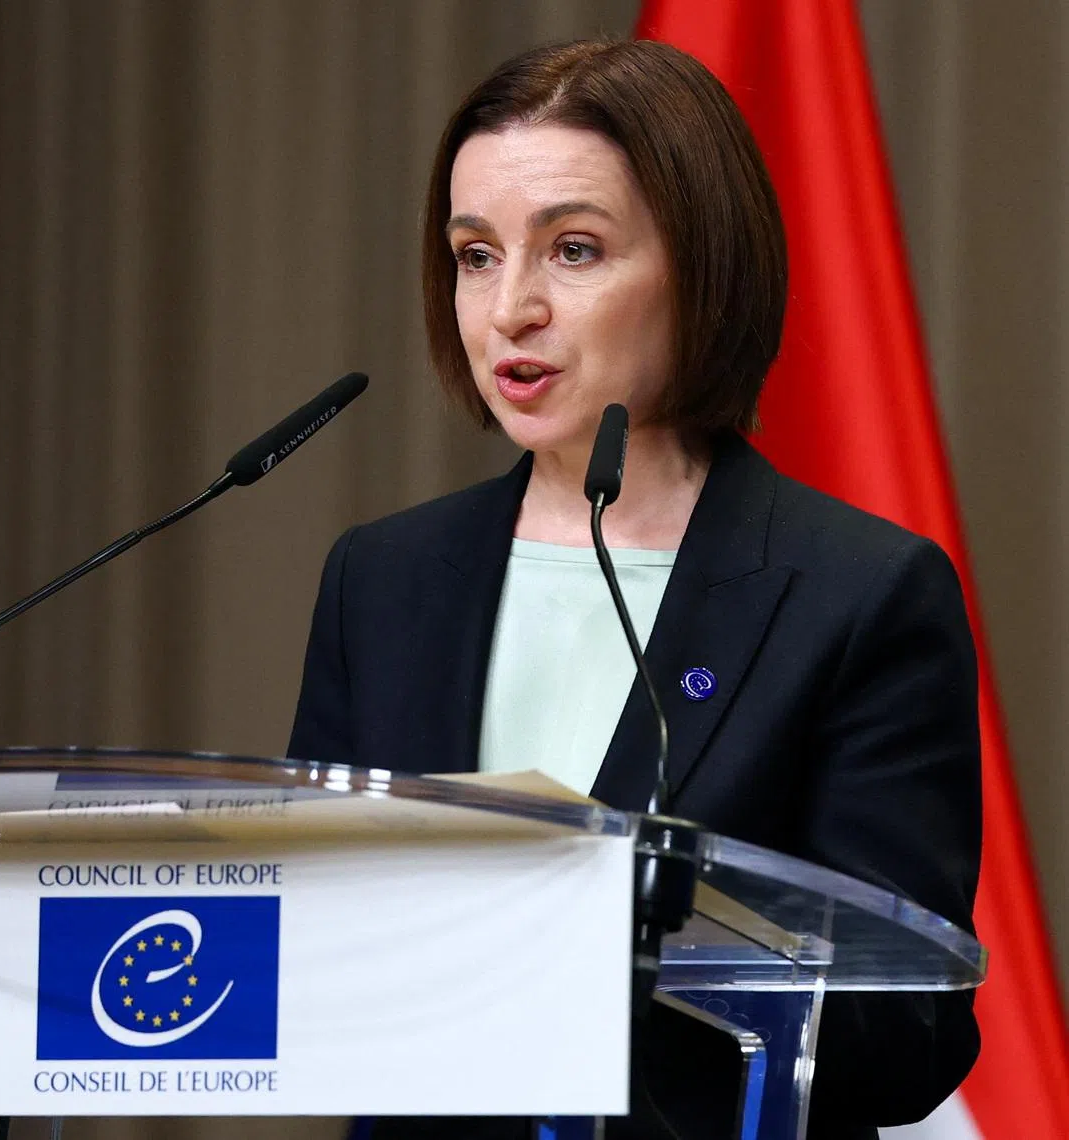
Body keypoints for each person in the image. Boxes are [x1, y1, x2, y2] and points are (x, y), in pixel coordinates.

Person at [288, 38, 981, 1140]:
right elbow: (311, 946)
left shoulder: (861, 594)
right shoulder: (383, 580)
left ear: (700, 267)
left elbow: (912, 1032)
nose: (509, 308)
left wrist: (630, 944)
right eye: (474, 255)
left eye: (571, 250)